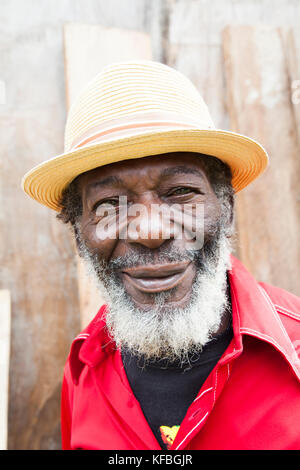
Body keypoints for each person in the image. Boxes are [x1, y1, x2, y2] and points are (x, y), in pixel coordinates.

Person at [22, 61, 300, 450]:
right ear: (78, 233)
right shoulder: (83, 369)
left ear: (226, 208)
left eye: (180, 192)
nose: (150, 232)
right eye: (109, 205)